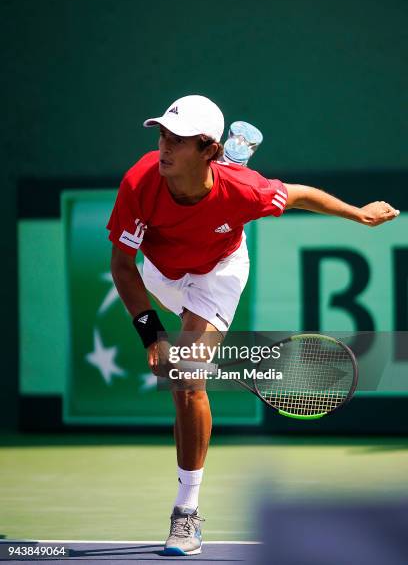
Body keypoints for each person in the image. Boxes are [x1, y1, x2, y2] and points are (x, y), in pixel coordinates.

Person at [107, 94, 399, 556]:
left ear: (205, 149)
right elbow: (123, 265)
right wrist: (149, 333)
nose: (163, 147)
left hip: (218, 273)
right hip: (162, 273)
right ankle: (237, 156)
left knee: (186, 381)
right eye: (162, 134)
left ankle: (186, 513)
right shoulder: (141, 180)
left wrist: (358, 214)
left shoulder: (247, 192)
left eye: (178, 140)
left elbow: (299, 194)